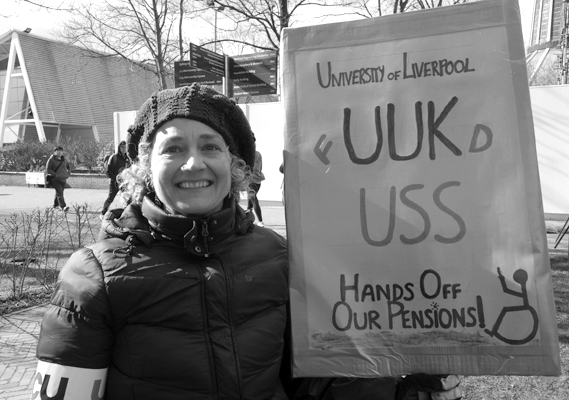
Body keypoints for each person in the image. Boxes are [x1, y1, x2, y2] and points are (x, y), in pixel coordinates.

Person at [32, 84, 461, 400]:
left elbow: (314, 380)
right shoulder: (92, 275)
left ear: (234, 164)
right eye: (172, 148)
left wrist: (401, 392)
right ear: (146, 167)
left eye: (210, 146)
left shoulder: (277, 256)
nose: (193, 162)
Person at [101, 140, 130, 216]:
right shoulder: (114, 157)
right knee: (110, 198)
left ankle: (127, 214)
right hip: (114, 182)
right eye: (122, 147)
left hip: (124, 183)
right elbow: (108, 171)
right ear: (119, 147)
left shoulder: (127, 158)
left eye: (125, 147)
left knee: (126, 198)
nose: (124, 148)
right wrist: (115, 179)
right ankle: (103, 213)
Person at [45, 145, 71, 212]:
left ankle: (55, 205)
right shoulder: (51, 160)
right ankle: (63, 206)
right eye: (58, 151)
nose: (59, 152)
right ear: (54, 152)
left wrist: (68, 174)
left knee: (59, 193)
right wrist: (55, 175)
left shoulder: (64, 159)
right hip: (55, 179)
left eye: (61, 151)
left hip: (63, 179)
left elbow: (68, 167)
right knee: (60, 193)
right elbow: (48, 169)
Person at [247, 150, 265, 226]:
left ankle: (260, 221)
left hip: (251, 180)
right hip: (258, 181)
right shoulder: (258, 154)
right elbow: (260, 167)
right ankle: (248, 216)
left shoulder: (248, 154)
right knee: (251, 198)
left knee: (253, 198)